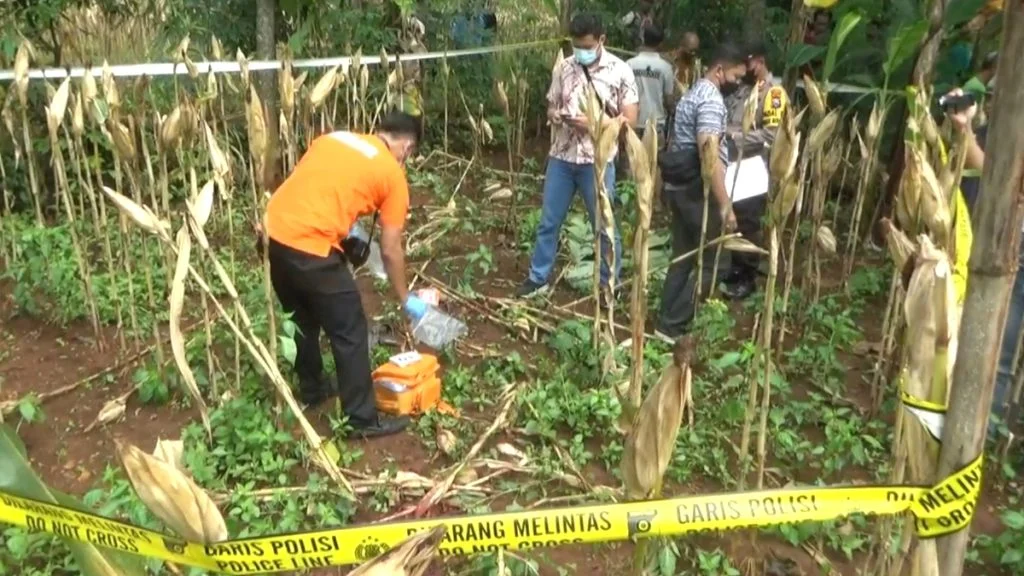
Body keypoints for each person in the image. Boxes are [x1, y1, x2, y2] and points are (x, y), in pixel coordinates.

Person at [264, 112, 427, 438]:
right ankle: (361, 420)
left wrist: (346, 235)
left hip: (274, 234)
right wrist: (405, 297)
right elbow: (392, 249)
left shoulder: (332, 138)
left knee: (299, 318)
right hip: (311, 246)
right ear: (406, 147)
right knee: (350, 329)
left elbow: (318, 189)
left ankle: (312, 390)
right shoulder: (392, 175)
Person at [516, 13, 639, 303]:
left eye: (586, 45)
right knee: (549, 221)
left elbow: (630, 120)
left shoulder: (621, 71)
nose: (580, 51)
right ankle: (538, 278)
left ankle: (609, 285)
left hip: (597, 161)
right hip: (561, 157)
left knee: (605, 225)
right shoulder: (564, 68)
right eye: (576, 45)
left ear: (601, 41)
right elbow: (551, 105)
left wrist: (596, 124)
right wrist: (557, 115)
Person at [655, 42, 747, 340]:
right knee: (714, 261)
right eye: (736, 75)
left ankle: (665, 321)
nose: (737, 82)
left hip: (679, 187)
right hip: (697, 190)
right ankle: (675, 324)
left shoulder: (693, 93)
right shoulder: (710, 101)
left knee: (683, 256)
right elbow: (709, 157)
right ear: (720, 70)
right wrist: (725, 206)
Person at [944, 86, 1018, 438]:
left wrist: (966, 132)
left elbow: (999, 178)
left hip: (1012, 259)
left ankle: (983, 434)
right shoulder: (997, 131)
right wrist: (966, 126)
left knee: (1000, 355)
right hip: (989, 250)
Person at [719, 41, 789, 300]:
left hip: (752, 168)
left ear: (759, 61)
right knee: (733, 222)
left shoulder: (773, 94)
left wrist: (734, 136)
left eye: (748, 62)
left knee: (748, 224)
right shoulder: (741, 90)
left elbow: (771, 135)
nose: (744, 67)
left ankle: (748, 276)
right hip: (731, 166)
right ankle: (736, 268)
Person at [627, 24, 675, 141]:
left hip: (633, 124)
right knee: (655, 159)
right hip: (656, 126)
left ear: (643, 39)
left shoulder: (629, 64)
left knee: (633, 159)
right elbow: (669, 100)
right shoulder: (665, 67)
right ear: (661, 43)